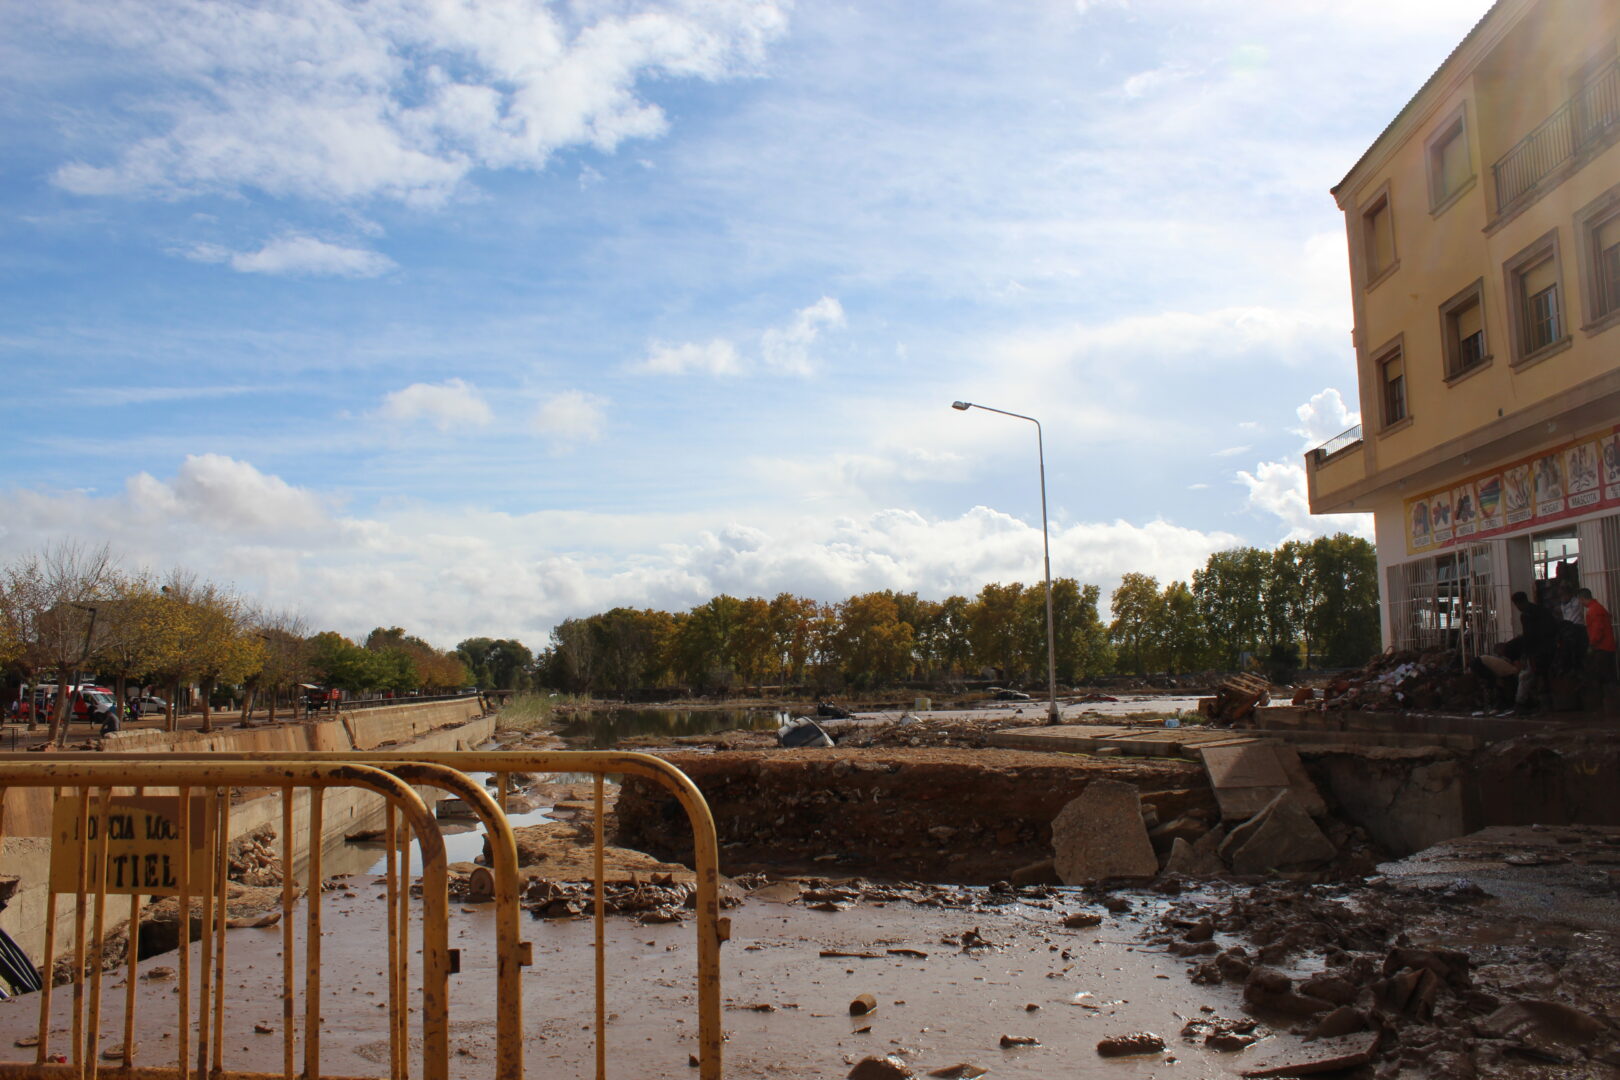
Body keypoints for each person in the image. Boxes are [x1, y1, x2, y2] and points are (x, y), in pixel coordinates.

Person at [1511, 591, 1558, 711]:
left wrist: (1526, 654)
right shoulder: (1540, 611)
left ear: (1519, 603)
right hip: (1548, 649)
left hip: (1538, 652)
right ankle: (1546, 704)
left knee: (1528, 677)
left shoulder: (1527, 615)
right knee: (1543, 677)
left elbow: (1529, 636)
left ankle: (1522, 703)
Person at [1579, 588, 1617, 685]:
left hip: (1602, 648)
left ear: (1582, 598)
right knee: (1609, 678)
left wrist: (1592, 645)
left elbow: (1597, 630)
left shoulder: (1593, 611)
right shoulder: (1598, 608)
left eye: (1580, 600)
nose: (1580, 603)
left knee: (1603, 680)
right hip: (1607, 647)